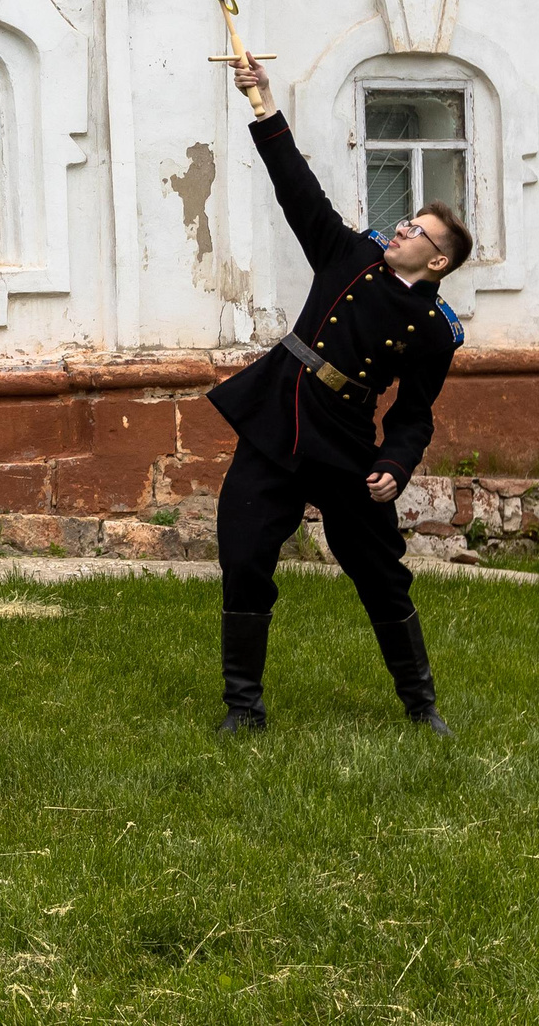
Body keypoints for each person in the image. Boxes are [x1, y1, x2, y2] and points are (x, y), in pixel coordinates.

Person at [205, 57, 468, 737]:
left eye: (418, 232)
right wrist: (263, 102)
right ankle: (243, 706)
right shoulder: (349, 254)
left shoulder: (434, 332)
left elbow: (414, 413)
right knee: (243, 550)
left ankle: (421, 704)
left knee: (381, 571)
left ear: (437, 262)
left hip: (346, 440)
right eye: (406, 221)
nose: (402, 230)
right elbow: (298, 188)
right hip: (278, 414)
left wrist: (397, 465)